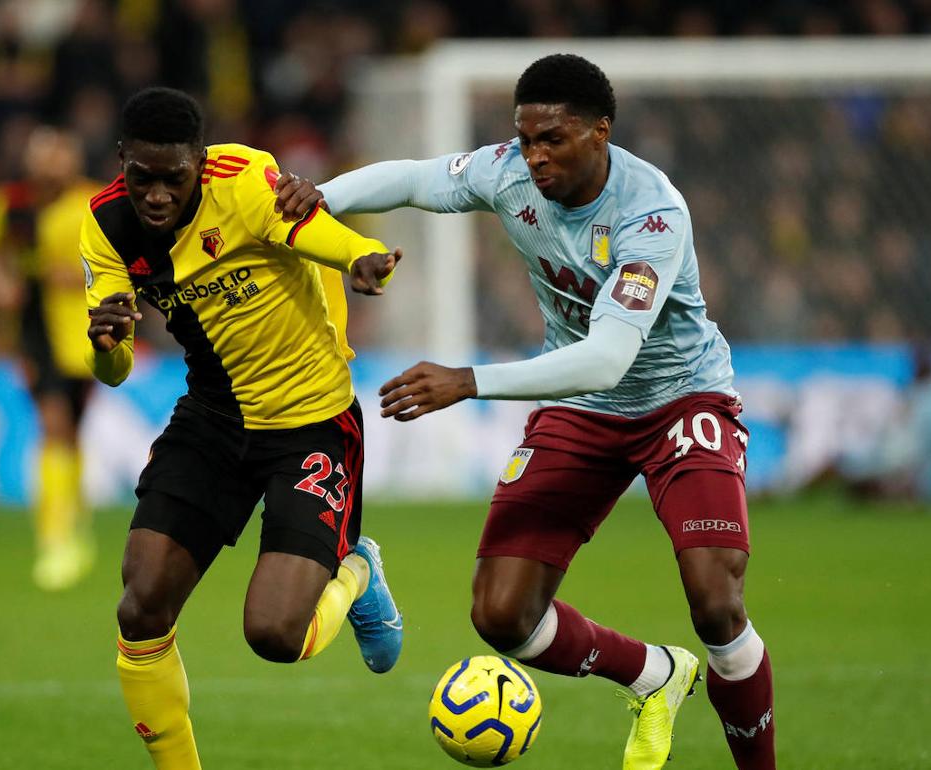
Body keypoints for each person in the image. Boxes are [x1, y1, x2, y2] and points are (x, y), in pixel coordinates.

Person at [276, 54, 775, 769]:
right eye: (526, 137)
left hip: (680, 400)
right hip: (581, 408)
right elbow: (416, 180)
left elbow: (610, 357)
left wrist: (468, 381)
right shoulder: (507, 170)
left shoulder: (651, 215)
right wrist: (319, 196)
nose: (534, 156)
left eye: (554, 139)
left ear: (601, 132)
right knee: (502, 615)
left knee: (716, 601)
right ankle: (655, 677)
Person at [81, 86, 404, 768]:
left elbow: (312, 229)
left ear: (200, 161)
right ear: (122, 162)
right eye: (144, 178)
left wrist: (360, 258)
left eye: (175, 177)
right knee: (141, 606)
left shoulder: (246, 178)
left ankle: (354, 570)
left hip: (312, 423)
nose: (159, 195)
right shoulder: (106, 224)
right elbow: (109, 370)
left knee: (276, 635)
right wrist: (107, 344)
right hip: (213, 419)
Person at [0, 126, 101, 591]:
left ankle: (73, 521)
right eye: (44, 152)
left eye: (60, 153)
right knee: (54, 425)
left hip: (84, 329)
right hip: (35, 328)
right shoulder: (7, 205)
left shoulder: (92, 202)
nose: (52, 162)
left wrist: (82, 276)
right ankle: (56, 540)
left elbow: (116, 259)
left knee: (73, 427)